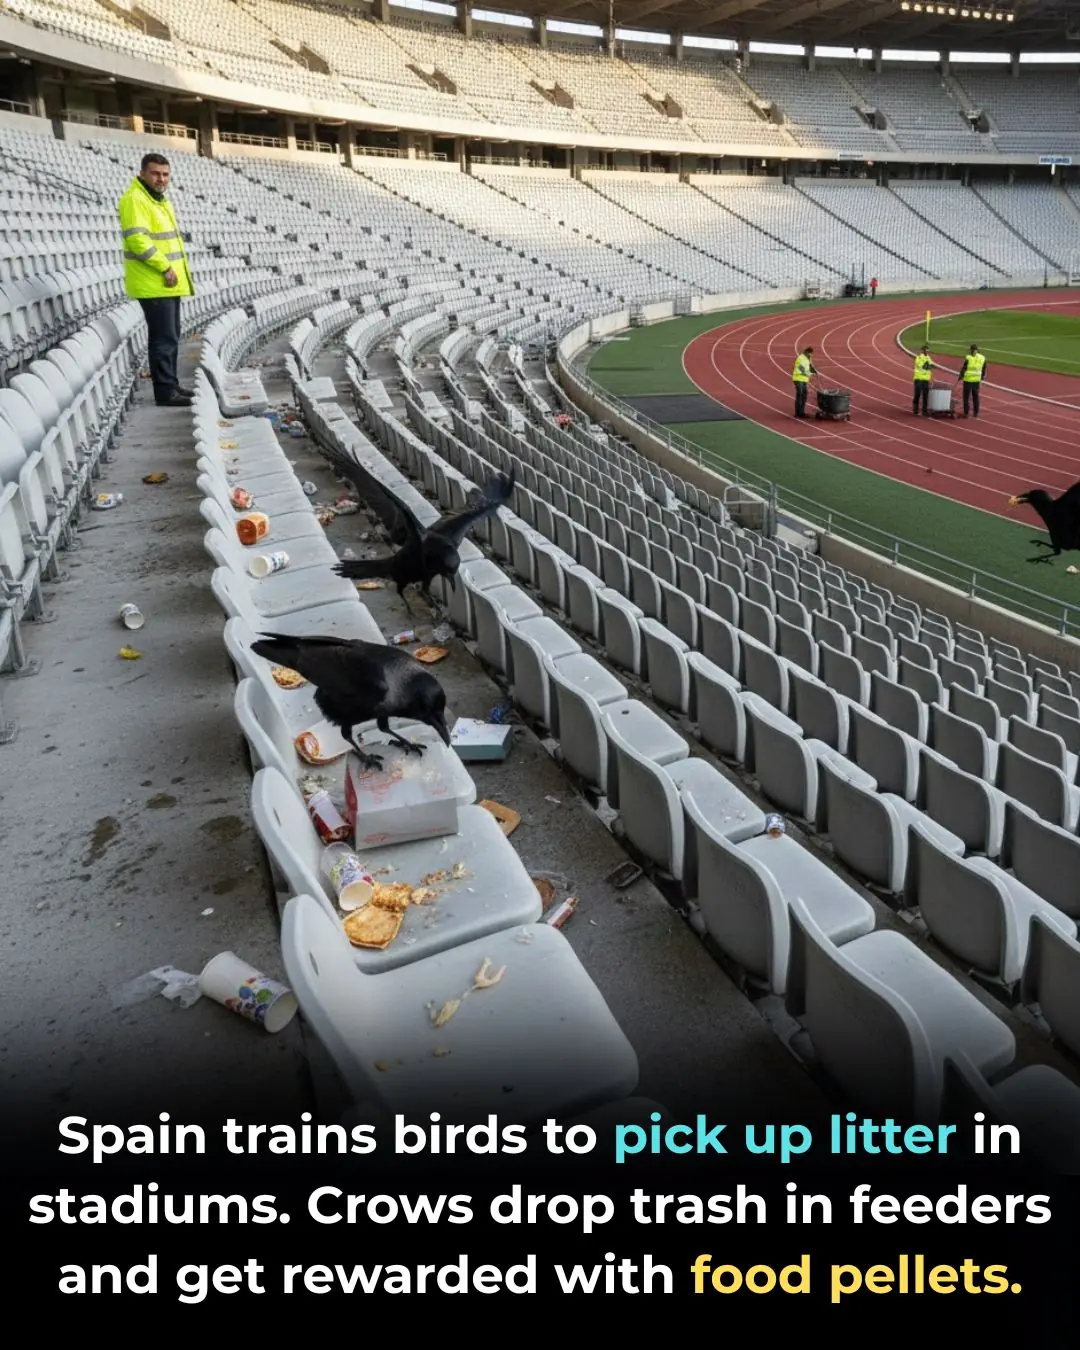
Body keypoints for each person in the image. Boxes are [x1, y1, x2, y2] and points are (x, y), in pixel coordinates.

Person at [117, 152, 195, 408]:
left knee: (170, 336)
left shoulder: (159, 200)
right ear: (142, 174)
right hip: (154, 282)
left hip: (165, 282)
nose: (161, 179)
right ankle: (165, 392)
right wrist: (164, 267)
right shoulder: (135, 199)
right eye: (155, 173)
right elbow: (137, 240)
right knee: (163, 338)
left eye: (165, 174)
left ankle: (171, 386)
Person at [957, 343, 987, 418]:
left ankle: (966, 413)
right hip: (976, 380)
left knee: (966, 397)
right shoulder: (982, 358)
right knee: (975, 396)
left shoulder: (968, 358)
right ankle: (975, 412)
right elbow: (984, 368)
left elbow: (964, 368)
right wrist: (982, 377)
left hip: (968, 380)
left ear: (971, 350)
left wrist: (960, 376)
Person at [792, 346, 817, 419]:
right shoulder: (800, 358)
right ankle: (798, 413)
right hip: (798, 378)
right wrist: (810, 374)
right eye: (810, 354)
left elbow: (809, 365)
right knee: (800, 395)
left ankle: (802, 412)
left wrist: (814, 370)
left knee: (804, 395)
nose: (811, 355)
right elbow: (801, 369)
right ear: (806, 352)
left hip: (804, 380)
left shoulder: (807, 358)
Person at [912, 344, 934, 416]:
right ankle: (915, 409)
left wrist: (928, 365)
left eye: (928, 351)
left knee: (925, 396)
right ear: (923, 350)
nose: (927, 352)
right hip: (919, 379)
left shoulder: (928, 357)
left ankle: (924, 411)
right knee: (917, 394)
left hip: (926, 380)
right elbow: (922, 365)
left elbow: (931, 366)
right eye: (925, 350)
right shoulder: (919, 357)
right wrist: (927, 365)